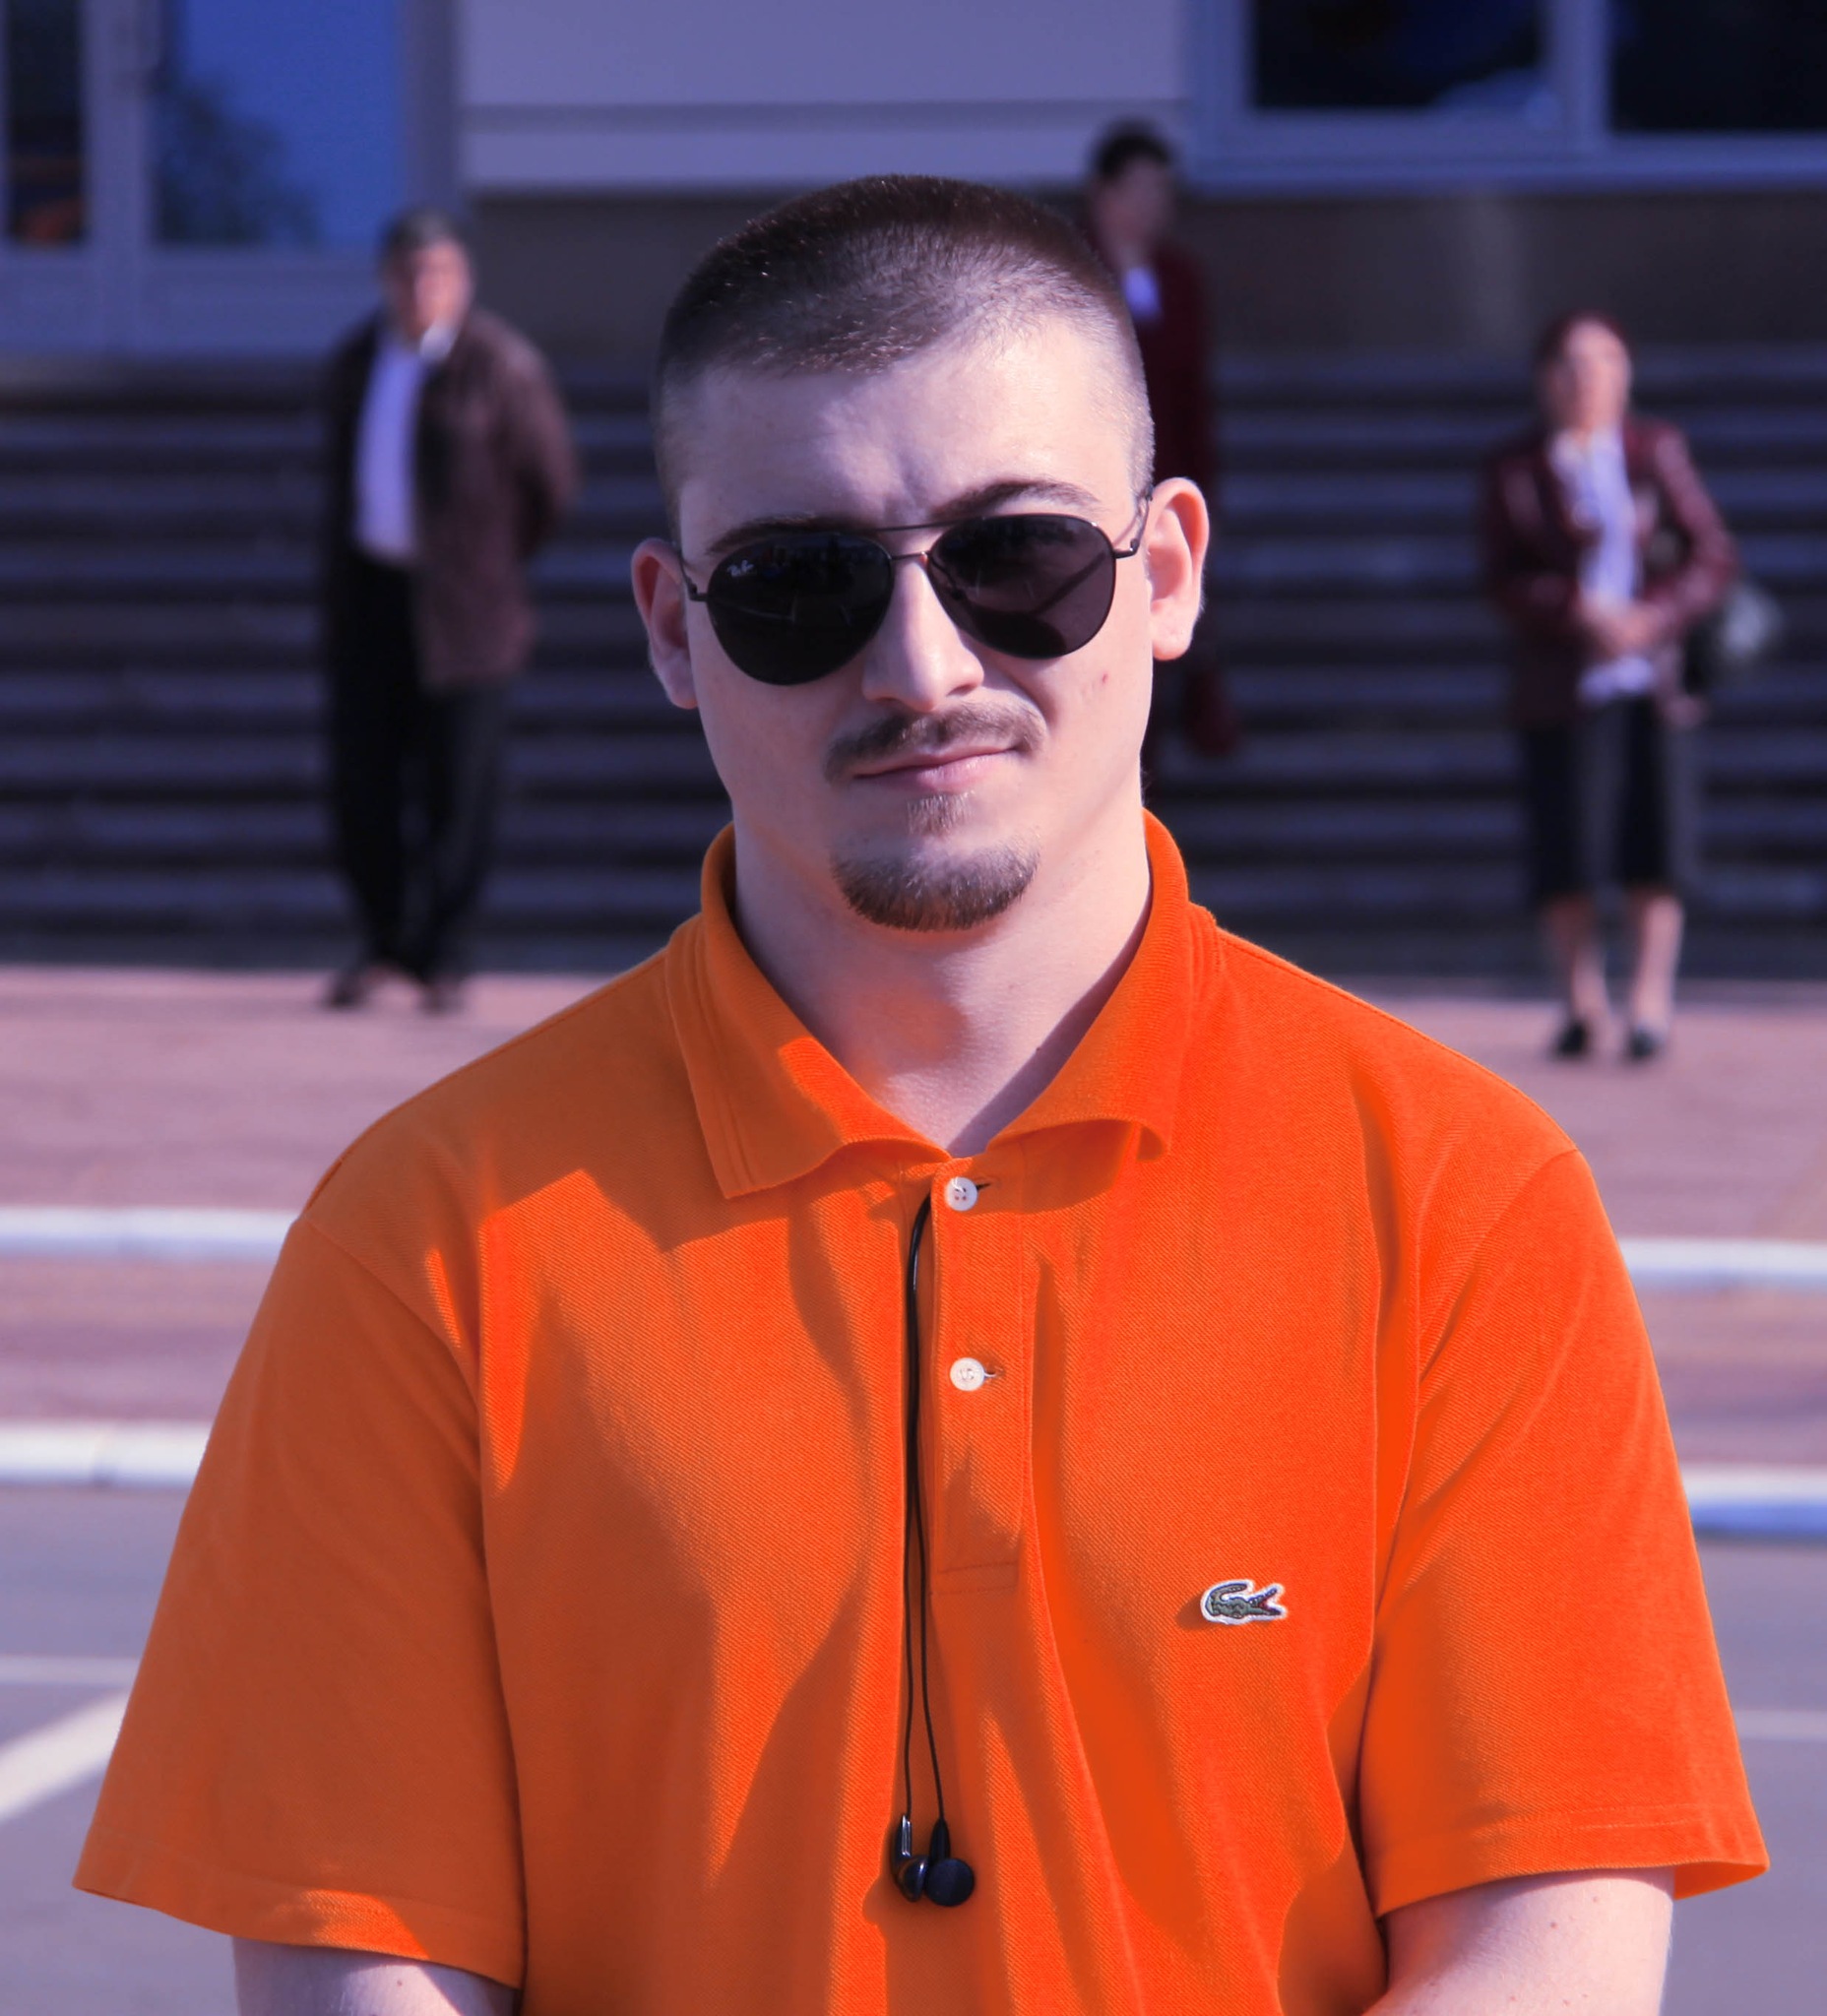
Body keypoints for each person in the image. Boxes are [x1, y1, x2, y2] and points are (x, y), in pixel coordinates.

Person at [78, 179, 1761, 2016]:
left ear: (1168, 571)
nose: (923, 666)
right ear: (669, 631)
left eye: (1016, 558)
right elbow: (362, 1962)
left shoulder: (1458, 1197)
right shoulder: (425, 1236)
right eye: (795, 586)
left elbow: (1547, 1937)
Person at [317, 207, 577, 1014]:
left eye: (437, 272)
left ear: (462, 281)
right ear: (384, 280)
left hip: (470, 612)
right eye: (407, 272)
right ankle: (384, 944)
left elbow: (550, 487)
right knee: (364, 784)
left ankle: (446, 953)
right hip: (372, 598)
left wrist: (486, 565)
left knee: (460, 789)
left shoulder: (501, 366)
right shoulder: (357, 361)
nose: (420, 287)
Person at [1481, 311, 1735, 1060]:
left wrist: (1653, 616)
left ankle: (1650, 1002)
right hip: (1563, 685)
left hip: (1653, 681)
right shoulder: (1516, 469)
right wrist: (1577, 609)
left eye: (1605, 361)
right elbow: (1501, 576)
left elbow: (1711, 553)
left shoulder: (1654, 451)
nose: (1587, 378)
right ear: (1545, 378)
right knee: (1568, 845)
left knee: (1658, 843)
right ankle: (1580, 999)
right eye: (1571, 363)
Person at [1084, 121, 1240, 763]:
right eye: (1142, 188)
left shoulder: (1178, 277)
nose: (1156, 204)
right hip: (1098, 484)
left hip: (1166, 476)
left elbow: (1191, 392)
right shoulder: (1075, 267)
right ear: (1106, 193)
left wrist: (1204, 490)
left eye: (1163, 190)